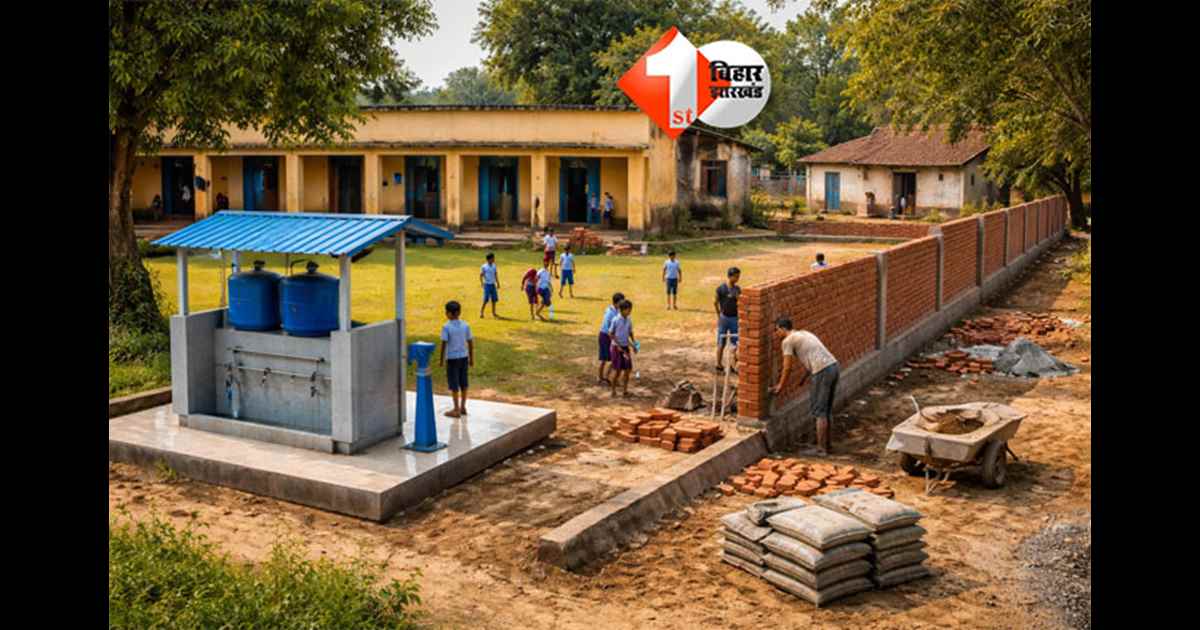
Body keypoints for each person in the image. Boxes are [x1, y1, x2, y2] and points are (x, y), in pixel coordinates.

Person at [769, 319, 839, 455]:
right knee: (826, 410)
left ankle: (821, 449)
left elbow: (787, 367)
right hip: (833, 367)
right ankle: (827, 445)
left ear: (783, 329)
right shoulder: (804, 334)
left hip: (822, 371)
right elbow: (814, 355)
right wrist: (804, 378)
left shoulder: (787, 341)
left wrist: (780, 386)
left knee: (819, 411)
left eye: (776, 330)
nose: (775, 334)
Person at [438, 300, 475, 418]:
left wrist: (441, 360)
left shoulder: (446, 327)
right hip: (464, 357)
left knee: (454, 384)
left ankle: (456, 409)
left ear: (448, 313)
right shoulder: (465, 325)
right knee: (464, 383)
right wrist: (471, 358)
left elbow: (444, 344)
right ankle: (463, 407)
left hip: (452, 359)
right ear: (459, 312)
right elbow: (470, 342)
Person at [607, 299, 637, 398]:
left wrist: (633, 344)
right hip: (616, 348)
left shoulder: (629, 319)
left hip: (625, 347)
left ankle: (625, 390)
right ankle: (613, 390)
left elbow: (630, 332)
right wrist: (618, 346)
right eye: (628, 309)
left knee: (628, 369)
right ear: (622, 310)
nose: (630, 311)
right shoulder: (616, 320)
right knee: (618, 370)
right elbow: (611, 334)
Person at [714, 267, 741, 372]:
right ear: (730, 276)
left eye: (738, 276)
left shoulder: (737, 289)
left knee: (736, 343)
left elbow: (740, 303)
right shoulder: (721, 289)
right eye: (736, 276)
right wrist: (718, 315)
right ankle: (718, 364)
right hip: (725, 319)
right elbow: (715, 302)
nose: (738, 278)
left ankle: (734, 365)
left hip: (734, 318)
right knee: (721, 342)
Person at [597, 292, 624, 385]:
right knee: (604, 359)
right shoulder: (610, 312)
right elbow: (608, 327)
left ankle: (608, 378)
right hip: (605, 336)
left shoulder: (617, 310)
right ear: (616, 303)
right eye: (621, 302)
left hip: (611, 336)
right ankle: (600, 378)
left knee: (614, 358)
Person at [479, 252, 501, 318]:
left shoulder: (494, 265)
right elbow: (481, 275)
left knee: (494, 299)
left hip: (493, 285)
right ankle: (481, 312)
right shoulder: (484, 267)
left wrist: (498, 283)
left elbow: (495, 274)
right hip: (487, 285)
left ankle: (494, 312)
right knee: (485, 300)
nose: (494, 259)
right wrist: (482, 283)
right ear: (489, 259)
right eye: (493, 258)